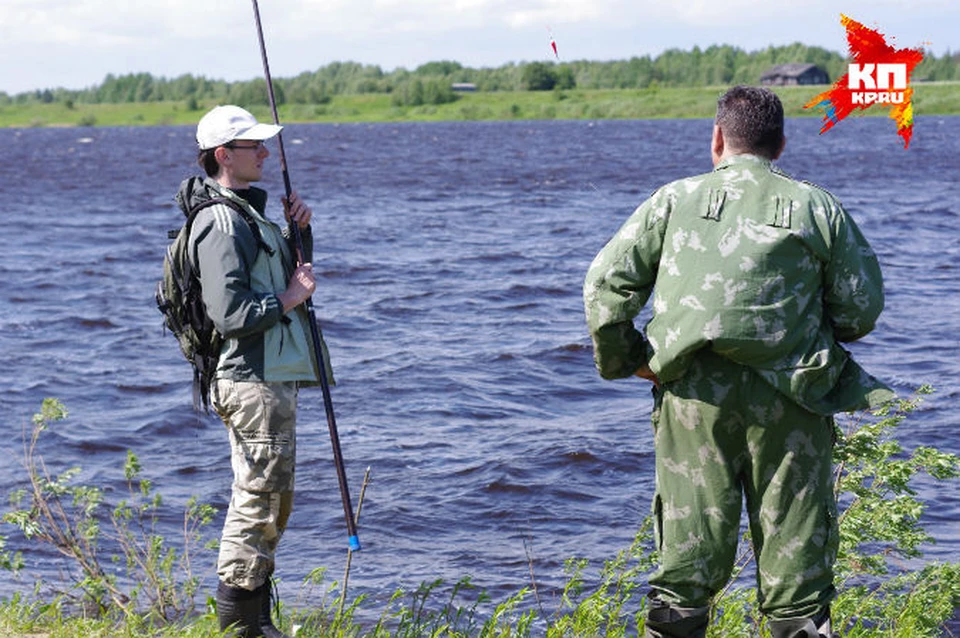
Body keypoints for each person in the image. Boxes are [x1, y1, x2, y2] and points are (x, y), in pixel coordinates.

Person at [583, 86, 893, 638]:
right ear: (781, 145)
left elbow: (605, 288)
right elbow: (862, 306)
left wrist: (629, 360)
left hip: (692, 401)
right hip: (793, 398)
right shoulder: (816, 206)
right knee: (797, 574)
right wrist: (814, 332)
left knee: (686, 565)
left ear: (718, 139)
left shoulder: (673, 200)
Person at [176, 104, 332, 638]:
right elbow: (232, 313)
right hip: (250, 377)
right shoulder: (221, 223)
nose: (266, 153)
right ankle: (240, 628)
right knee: (258, 499)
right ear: (224, 155)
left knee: (274, 499)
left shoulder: (247, 213)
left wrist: (300, 234)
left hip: (270, 373)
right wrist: (290, 298)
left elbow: (287, 279)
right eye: (254, 146)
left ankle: (257, 621)